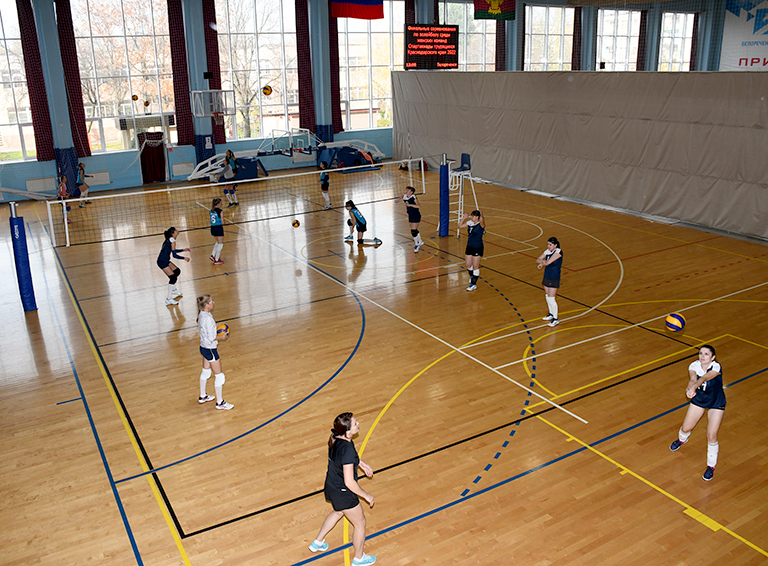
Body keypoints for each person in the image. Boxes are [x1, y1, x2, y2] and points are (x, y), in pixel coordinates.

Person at [308, 413, 376, 565]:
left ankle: (318, 543)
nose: (358, 423)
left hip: (332, 486)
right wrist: (366, 496)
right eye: (355, 423)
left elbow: (347, 458)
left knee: (339, 512)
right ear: (347, 431)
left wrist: (361, 464)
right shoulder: (347, 449)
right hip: (344, 492)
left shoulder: (337, 438)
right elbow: (350, 482)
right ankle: (359, 559)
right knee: (360, 523)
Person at [669, 344, 725, 481]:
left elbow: (703, 379)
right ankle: (682, 439)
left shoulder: (716, 367)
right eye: (701, 353)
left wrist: (695, 386)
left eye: (706, 354)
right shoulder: (693, 366)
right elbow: (693, 379)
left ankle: (710, 467)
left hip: (716, 402)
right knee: (686, 428)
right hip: (700, 400)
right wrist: (690, 389)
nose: (703, 356)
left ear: (713, 357)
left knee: (712, 435)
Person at [196, 295, 234, 410]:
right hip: (210, 349)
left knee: (206, 372)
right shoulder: (207, 318)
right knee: (219, 376)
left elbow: (207, 330)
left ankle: (203, 396)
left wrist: (215, 326)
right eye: (211, 301)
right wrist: (222, 337)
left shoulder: (203, 314)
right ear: (207, 305)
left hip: (203, 348)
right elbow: (212, 337)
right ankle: (220, 403)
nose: (213, 303)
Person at [156, 227, 190, 306]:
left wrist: (183, 250)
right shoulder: (172, 240)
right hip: (162, 261)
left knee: (177, 271)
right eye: (175, 230)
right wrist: (184, 258)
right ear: (173, 233)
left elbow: (173, 250)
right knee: (173, 278)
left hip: (165, 260)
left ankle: (173, 289)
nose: (177, 230)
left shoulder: (170, 239)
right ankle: (168, 299)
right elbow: (174, 255)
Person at [536, 237, 563, 327]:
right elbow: (538, 259)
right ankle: (551, 314)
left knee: (551, 298)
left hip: (554, 277)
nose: (548, 246)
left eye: (550, 245)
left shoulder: (558, 252)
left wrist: (543, 262)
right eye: (548, 244)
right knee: (547, 296)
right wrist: (542, 262)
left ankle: (555, 318)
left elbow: (548, 263)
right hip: (547, 275)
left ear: (555, 245)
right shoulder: (548, 251)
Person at [458, 210, 485, 291]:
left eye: (474, 216)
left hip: (477, 247)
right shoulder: (470, 222)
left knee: (475, 266)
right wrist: (464, 218)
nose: (472, 217)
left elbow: (482, 219)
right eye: (472, 216)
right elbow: (460, 226)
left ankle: (473, 284)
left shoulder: (480, 224)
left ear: (477, 217)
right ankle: (472, 276)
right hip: (469, 246)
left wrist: (481, 214)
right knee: (468, 264)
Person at [402, 186, 424, 252]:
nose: (407, 191)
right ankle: (420, 241)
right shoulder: (405, 197)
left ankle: (417, 244)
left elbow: (418, 206)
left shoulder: (414, 197)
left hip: (416, 215)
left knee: (413, 231)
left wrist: (410, 205)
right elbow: (396, 201)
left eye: (408, 190)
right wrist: (399, 199)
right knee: (414, 230)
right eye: (406, 190)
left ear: (411, 192)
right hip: (410, 215)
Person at [209, 198, 225, 265]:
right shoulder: (220, 211)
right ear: (218, 203)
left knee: (218, 242)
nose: (221, 203)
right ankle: (217, 260)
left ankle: (212, 255)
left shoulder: (211, 211)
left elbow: (210, 220)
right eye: (221, 202)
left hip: (213, 228)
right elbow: (222, 222)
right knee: (220, 244)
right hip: (218, 228)